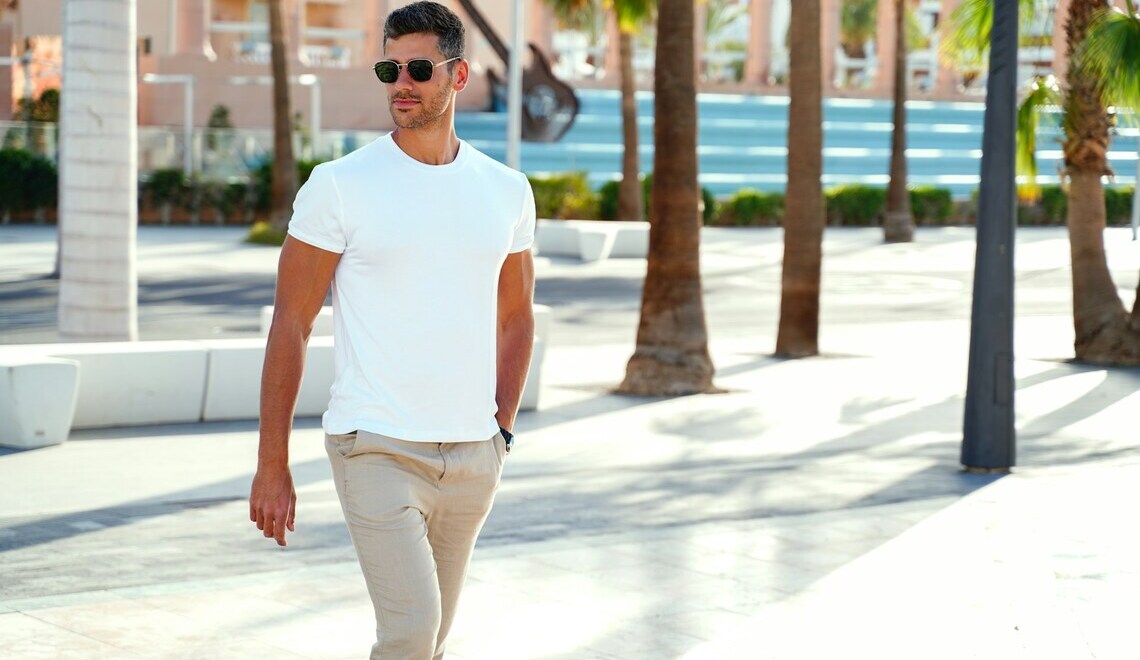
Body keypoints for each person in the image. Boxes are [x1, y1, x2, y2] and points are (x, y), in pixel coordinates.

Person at [248, 2, 536, 658]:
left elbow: (516, 316)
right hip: (373, 447)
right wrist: (272, 464)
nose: (400, 82)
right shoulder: (341, 186)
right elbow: (290, 322)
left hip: (471, 457)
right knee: (408, 632)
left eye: (416, 68)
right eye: (389, 67)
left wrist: (501, 430)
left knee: (430, 639)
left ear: (458, 76)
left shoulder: (507, 190)